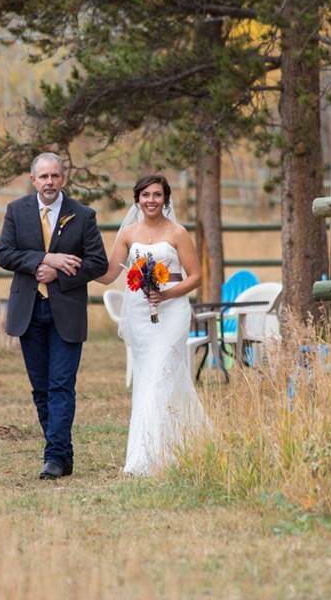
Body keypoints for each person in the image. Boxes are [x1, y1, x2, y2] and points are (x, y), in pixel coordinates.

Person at [0, 153, 108, 480]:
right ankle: (62, 453)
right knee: (41, 388)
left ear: (63, 179)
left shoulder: (82, 215)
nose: (49, 182)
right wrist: (47, 259)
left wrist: (60, 274)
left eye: (55, 176)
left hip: (66, 312)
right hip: (29, 311)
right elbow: (5, 254)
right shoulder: (17, 211)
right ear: (33, 180)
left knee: (61, 385)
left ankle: (53, 457)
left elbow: (97, 263)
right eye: (43, 177)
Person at [96, 174, 207, 475]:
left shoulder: (178, 233)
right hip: (139, 310)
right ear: (137, 199)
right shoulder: (129, 234)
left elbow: (195, 276)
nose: (151, 200)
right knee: (148, 379)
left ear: (166, 199)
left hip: (172, 311)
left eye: (157, 195)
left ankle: (153, 457)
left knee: (161, 374)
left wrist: (167, 293)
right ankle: (163, 449)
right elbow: (108, 273)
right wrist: (82, 267)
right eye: (146, 195)